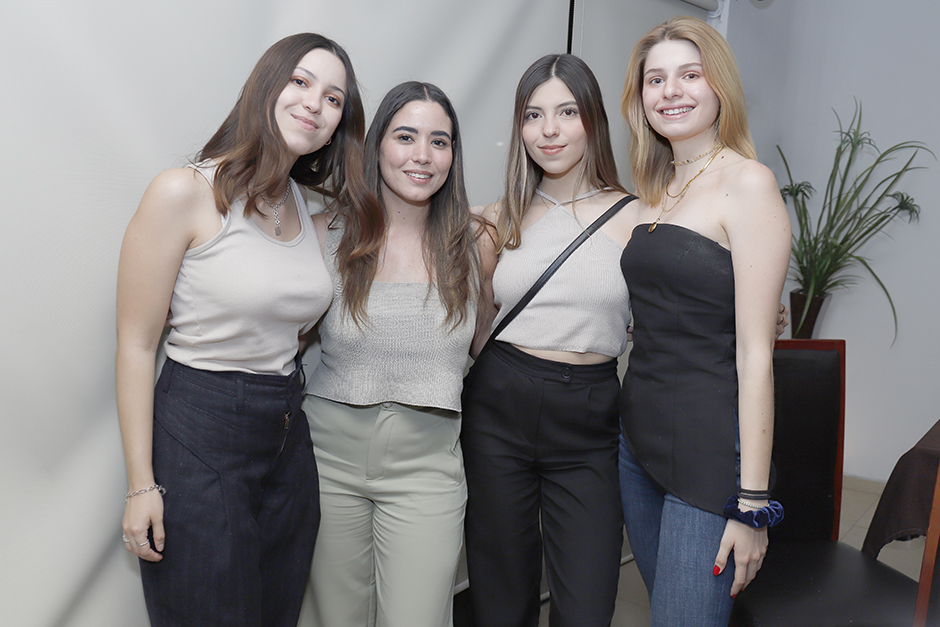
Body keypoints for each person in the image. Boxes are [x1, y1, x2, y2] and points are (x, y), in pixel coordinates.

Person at [115, 33, 369, 627]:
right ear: (266, 85)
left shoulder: (312, 210)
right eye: (301, 82)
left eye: (334, 99)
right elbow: (136, 344)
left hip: (286, 435)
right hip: (200, 428)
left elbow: (293, 323)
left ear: (338, 125)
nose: (315, 104)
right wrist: (140, 485)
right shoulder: (184, 191)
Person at [617, 16, 791, 626]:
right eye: (655, 79)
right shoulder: (654, 189)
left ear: (720, 88)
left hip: (711, 457)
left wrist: (752, 503)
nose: (672, 91)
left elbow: (757, 355)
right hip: (634, 444)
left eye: (690, 75)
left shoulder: (748, 182)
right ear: (639, 99)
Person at [302, 81, 493, 627]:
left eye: (439, 141)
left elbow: (488, 343)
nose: (421, 155)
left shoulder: (475, 240)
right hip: (327, 459)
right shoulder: (326, 234)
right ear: (377, 144)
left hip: (427, 465)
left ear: (453, 156)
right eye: (405, 136)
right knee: (333, 618)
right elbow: (281, 335)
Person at [461, 54, 639, 627]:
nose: (549, 130)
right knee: (500, 595)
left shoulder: (638, 217)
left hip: (588, 420)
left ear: (592, 119)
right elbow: (477, 323)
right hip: (498, 406)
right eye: (534, 115)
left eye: (566, 112)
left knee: (587, 604)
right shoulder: (499, 218)